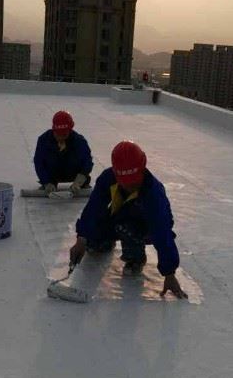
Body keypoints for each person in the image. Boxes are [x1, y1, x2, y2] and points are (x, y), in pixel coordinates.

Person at [69, 141, 188, 299]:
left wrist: (169, 273)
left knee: (127, 227)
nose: (130, 186)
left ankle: (135, 258)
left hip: (144, 226)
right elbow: (93, 209)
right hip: (120, 216)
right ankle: (104, 242)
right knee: (94, 241)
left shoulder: (153, 193)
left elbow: (162, 232)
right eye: (125, 182)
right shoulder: (107, 179)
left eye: (134, 182)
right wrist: (82, 239)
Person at [33, 111, 94, 195]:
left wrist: (80, 180)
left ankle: (82, 182)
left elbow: (88, 161)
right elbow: (38, 162)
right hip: (52, 174)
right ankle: (50, 182)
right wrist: (46, 181)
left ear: (70, 131)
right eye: (58, 134)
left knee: (79, 158)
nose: (60, 138)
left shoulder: (79, 141)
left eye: (64, 135)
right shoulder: (44, 140)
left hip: (73, 173)